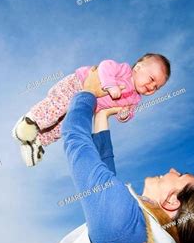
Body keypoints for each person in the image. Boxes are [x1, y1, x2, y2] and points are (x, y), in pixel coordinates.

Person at [55, 68, 194, 243]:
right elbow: (104, 175)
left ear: (172, 201)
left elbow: (77, 142)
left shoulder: (124, 228)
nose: (173, 169)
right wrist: (102, 116)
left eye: (181, 175)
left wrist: (87, 93)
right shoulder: (151, 239)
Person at [12, 53, 171, 167]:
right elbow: (105, 66)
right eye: (151, 79)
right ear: (138, 67)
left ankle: (37, 142)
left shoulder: (135, 99)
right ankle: (30, 121)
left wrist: (124, 115)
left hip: (86, 105)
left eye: (156, 87)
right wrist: (110, 84)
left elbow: (128, 113)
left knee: (63, 126)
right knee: (56, 107)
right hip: (78, 85)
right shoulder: (124, 71)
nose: (151, 87)